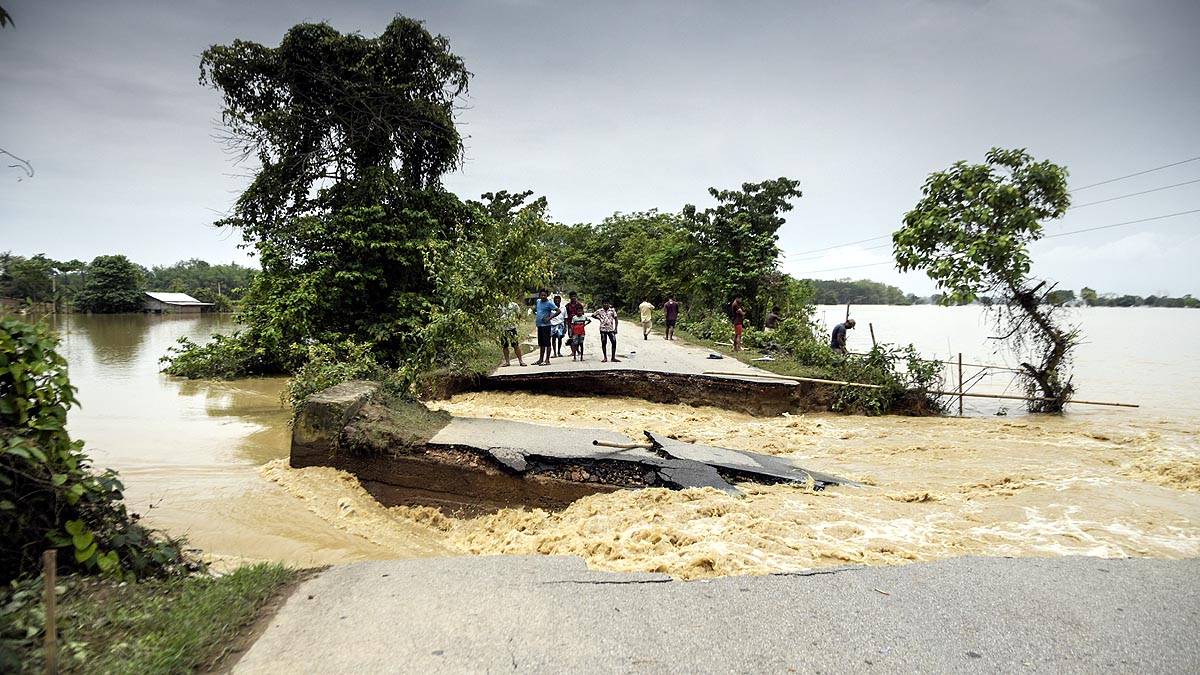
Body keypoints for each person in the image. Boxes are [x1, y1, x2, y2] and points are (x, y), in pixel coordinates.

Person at [534, 289, 560, 366]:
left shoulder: (549, 303)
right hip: (539, 325)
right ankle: (540, 359)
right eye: (542, 295)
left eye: (544, 295)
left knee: (547, 343)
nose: (543, 297)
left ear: (547, 296)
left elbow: (558, 311)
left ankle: (547, 360)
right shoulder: (538, 301)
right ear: (539, 295)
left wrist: (549, 318)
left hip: (546, 325)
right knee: (541, 343)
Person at [498, 300, 526, 367]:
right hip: (502, 328)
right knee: (505, 345)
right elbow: (498, 316)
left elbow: (519, 315)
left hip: (512, 327)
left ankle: (521, 361)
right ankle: (507, 362)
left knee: (515, 345)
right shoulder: (499, 306)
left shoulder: (514, 305)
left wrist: (515, 321)